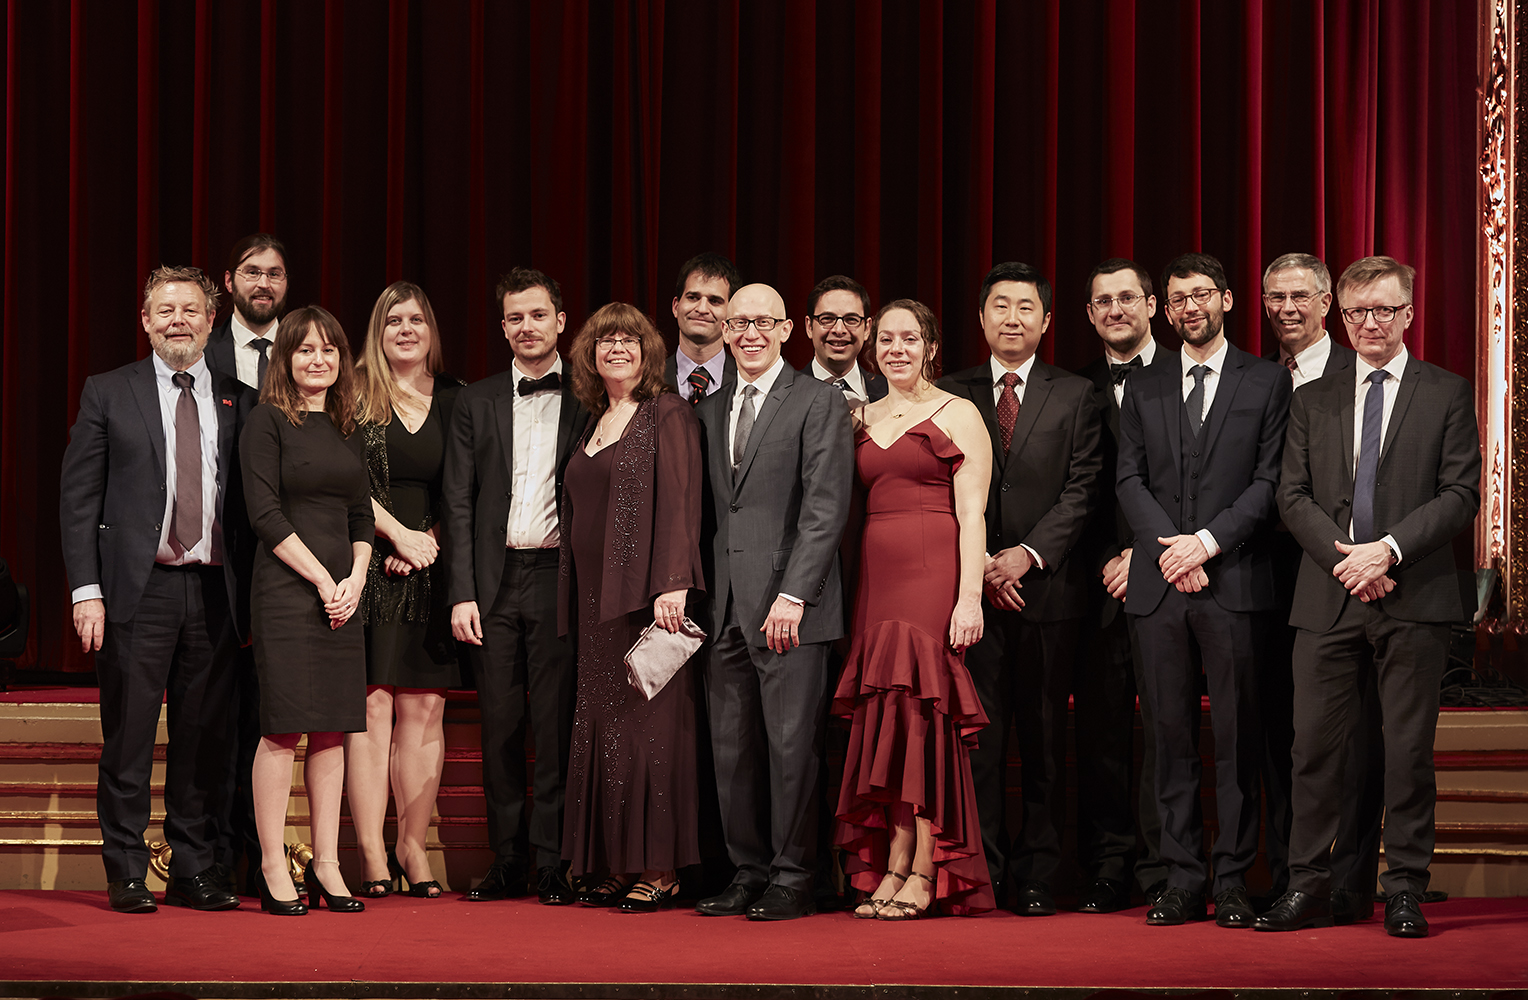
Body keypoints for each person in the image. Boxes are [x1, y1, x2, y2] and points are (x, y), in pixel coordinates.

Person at [1258, 256, 1481, 938]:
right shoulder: (1311, 397)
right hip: (1328, 597)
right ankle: (1307, 884)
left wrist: (1387, 551)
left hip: (1414, 593)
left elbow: (1460, 494)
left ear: (1409, 313)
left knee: (1406, 752)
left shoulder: (1446, 392)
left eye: (1384, 310)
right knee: (1313, 750)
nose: (1370, 323)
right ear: (1342, 315)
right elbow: (1291, 495)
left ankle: (1405, 887)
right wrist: (1348, 561)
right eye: (1357, 312)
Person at [60, 265, 253, 914]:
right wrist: (86, 590)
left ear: (211, 321)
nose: (178, 321)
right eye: (165, 310)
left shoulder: (241, 399)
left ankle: (193, 868)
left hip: (216, 594)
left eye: (191, 310)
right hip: (136, 593)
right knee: (130, 738)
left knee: (204, 738)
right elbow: (78, 501)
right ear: (145, 321)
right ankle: (127, 871)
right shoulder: (108, 392)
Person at [1116, 252, 1291, 928]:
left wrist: (1207, 543)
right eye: (1178, 299)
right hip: (1160, 588)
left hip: (1235, 584)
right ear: (1166, 310)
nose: (1190, 307)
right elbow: (1129, 479)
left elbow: (1269, 482)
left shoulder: (1266, 381)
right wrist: (1173, 550)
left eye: (1201, 294)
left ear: (1226, 299)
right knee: (1169, 739)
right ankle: (1183, 878)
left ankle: (1236, 880)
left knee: (1239, 740)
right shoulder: (1145, 383)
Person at [938, 262, 1102, 915]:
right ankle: (982, 868)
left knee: (1043, 742)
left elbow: (1083, 488)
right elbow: (939, 487)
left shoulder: (1077, 393)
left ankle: (1037, 873)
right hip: (969, 596)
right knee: (977, 741)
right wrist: (982, 563)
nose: (1012, 317)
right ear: (981, 318)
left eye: (1025, 306)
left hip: (1047, 596)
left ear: (1047, 320)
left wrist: (1026, 557)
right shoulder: (948, 392)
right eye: (1000, 306)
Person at [693, 283, 854, 921]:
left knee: (791, 750)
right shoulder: (709, 408)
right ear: (724, 332)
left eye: (763, 322)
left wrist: (794, 594)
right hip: (724, 609)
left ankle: (794, 876)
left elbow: (825, 508)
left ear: (788, 329)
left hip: (792, 608)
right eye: (738, 323)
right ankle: (748, 871)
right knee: (732, 753)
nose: (750, 333)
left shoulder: (819, 400)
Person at [833, 299, 995, 919]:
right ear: (872, 348)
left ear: (930, 346)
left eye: (909, 338)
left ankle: (926, 868)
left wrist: (969, 597)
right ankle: (894, 860)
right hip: (874, 584)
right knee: (887, 719)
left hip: (933, 576)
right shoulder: (859, 415)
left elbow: (972, 514)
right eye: (886, 339)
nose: (896, 349)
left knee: (922, 715)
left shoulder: (959, 412)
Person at [443, 268, 589, 904]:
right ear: (502, 327)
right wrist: (462, 591)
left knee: (555, 728)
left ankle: (553, 862)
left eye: (537, 315)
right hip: (493, 583)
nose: (527, 327)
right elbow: (457, 503)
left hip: (560, 578)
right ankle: (506, 859)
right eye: (514, 318)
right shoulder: (474, 401)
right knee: (500, 725)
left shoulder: (589, 395)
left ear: (561, 321)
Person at [557, 302, 705, 913]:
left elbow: (682, 500)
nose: (616, 348)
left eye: (629, 339)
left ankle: (660, 868)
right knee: (608, 729)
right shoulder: (593, 419)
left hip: (645, 600)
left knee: (651, 731)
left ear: (648, 351)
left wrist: (673, 583)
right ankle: (617, 863)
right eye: (605, 340)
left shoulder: (667, 412)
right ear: (589, 355)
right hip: (594, 602)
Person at [240, 306, 374, 916]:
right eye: (305, 350)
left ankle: (326, 863)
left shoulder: (347, 424)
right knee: (282, 728)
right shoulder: (266, 421)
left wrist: (356, 578)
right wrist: (323, 579)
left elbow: (361, 515)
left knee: (331, 730)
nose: (318, 360)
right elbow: (264, 514)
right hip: (288, 590)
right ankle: (273, 864)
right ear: (285, 359)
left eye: (329, 350)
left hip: (343, 594)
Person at [1258, 252, 1380, 917]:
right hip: (1264, 576)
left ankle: (1352, 881)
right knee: (1287, 732)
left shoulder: (1357, 370)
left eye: (1299, 296)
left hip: (1347, 571)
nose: (1286, 309)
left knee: (1356, 738)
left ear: (1327, 302)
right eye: (1275, 297)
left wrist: (1356, 560)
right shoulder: (1254, 375)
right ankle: (1289, 874)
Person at [345, 282, 465, 899]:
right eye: (394, 320)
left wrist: (427, 543)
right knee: (373, 707)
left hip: (434, 567)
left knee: (425, 708)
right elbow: (341, 478)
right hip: (368, 563)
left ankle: (411, 846)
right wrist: (396, 536)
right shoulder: (352, 390)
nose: (406, 329)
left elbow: (466, 488)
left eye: (416, 319)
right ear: (378, 330)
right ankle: (371, 850)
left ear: (430, 329)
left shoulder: (456, 397)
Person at [1072, 258, 1171, 911]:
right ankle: (1108, 867)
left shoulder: (1191, 375)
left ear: (1152, 305)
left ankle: (1165, 867)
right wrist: (1111, 556)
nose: (1116, 309)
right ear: (1088, 314)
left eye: (1127, 297)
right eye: (1103, 300)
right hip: (1096, 585)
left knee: (1168, 732)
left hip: (1173, 573)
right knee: (1102, 735)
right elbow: (1075, 492)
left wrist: (1144, 553)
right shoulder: (1072, 387)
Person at [205, 233, 289, 896]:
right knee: (218, 713)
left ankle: (270, 857)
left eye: (276, 273)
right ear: (229, 281)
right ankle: (216, 855)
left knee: (273, 715)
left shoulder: (311, 351)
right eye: (253, 272)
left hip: (291, 560)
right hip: (218, 561)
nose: (265, 283)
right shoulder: (201, 354)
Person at [665, 252, 740, 402]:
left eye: (714, 301)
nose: (702, 309)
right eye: (693, 298)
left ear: (731, 314)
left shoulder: (747, 381)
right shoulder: (645, 379)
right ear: (676, 307)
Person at [804, 275, 887, 406]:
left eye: (851, 320)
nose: (839, 330)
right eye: (827, 319)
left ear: (867, 328)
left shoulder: (890, 392)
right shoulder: (783, 395)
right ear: (809, 327)